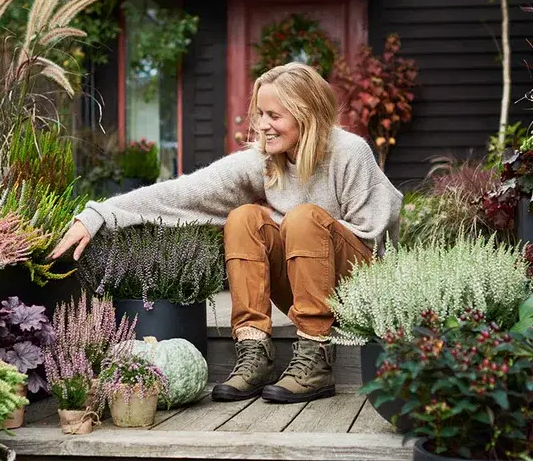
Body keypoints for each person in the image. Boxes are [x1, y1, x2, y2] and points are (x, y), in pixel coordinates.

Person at [49, 62, 402, 404]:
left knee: (303, 219)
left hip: (356, 293)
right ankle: (254, 353)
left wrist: (291, 221)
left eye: (274, 116)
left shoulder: (349, 152)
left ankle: (315, 358)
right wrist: (99, 214)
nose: (262, 126)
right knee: (243, 218)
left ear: (306, 116)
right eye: (260, 114)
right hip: (300, 287)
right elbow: (185, 192)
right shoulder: (263, 160)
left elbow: (373, 240)